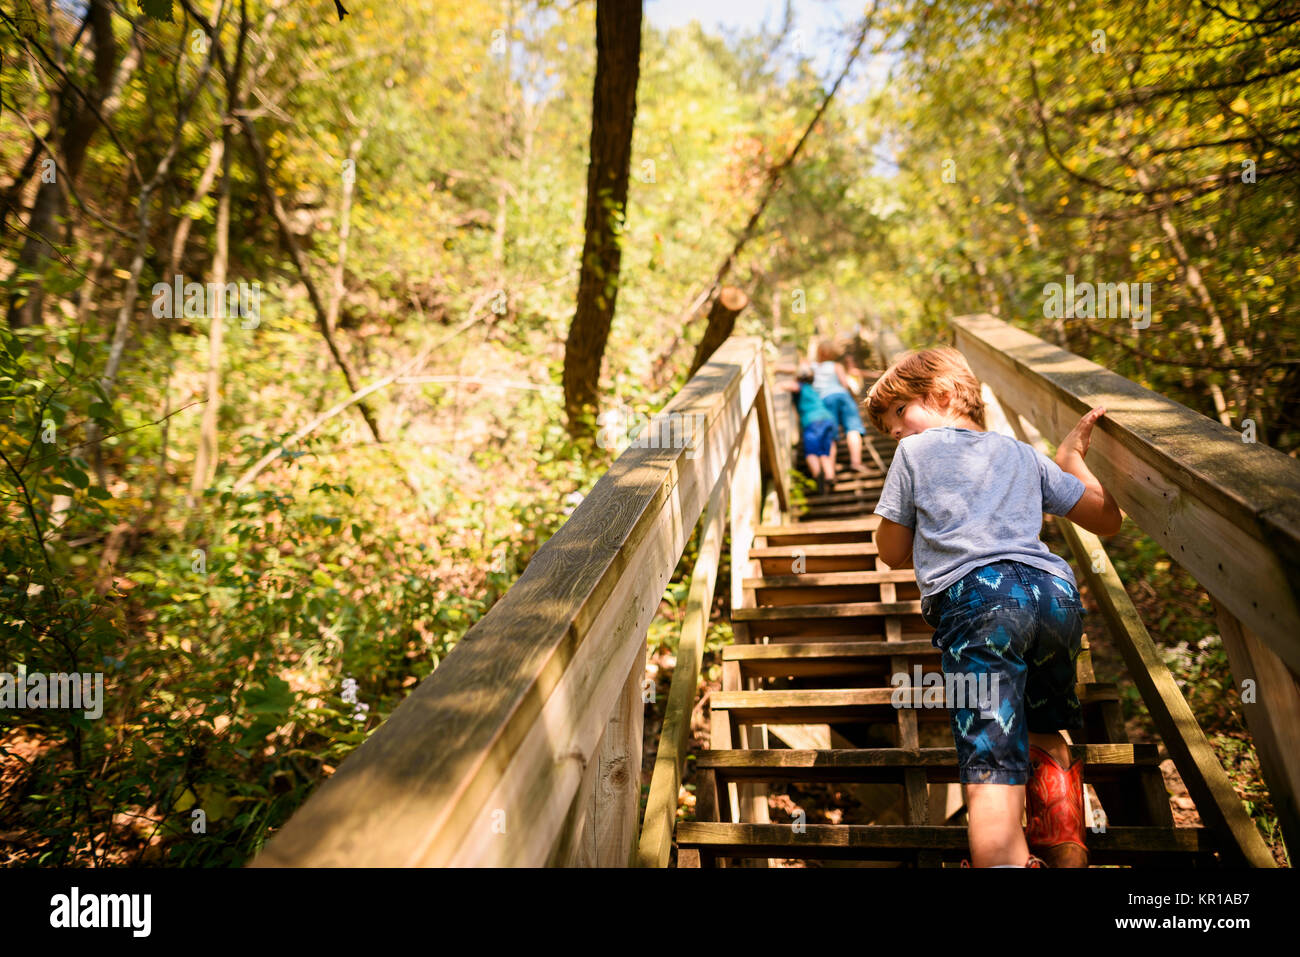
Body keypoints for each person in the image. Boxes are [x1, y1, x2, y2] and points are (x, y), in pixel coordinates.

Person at [865, 346, 1122, 868]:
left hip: (979, 603)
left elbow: (890, 552)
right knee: (1047, 727)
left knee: (991, 752)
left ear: (940, 395)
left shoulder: (914, 455)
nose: (892, 430)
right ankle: (1067, 856)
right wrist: (1071, 459)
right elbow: (1106, 518)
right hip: (1055, 597)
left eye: (897, 412)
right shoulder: (1022, 453)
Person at [777, 364, 839, 497]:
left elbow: (792, 386)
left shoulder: (801, 387)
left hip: (812, 422)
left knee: (811, 452)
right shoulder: (813, 389)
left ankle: (818, 476)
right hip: (827, 419)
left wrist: (778, 386)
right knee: (824, 451)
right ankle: (830, 476)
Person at [810, 339, 871, 473]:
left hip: (824, 401)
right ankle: (856, 462)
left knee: (829, 433)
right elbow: (844, 383)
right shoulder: (836, 366)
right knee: (853, 428)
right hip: (842, 396)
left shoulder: (813, 367)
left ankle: (830, 471)